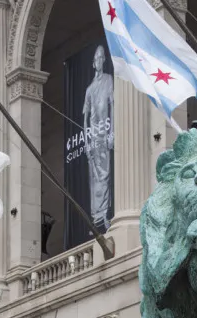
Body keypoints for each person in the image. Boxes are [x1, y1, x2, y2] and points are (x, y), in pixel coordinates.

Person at [81, 44, 114, 230]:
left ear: (104, 61)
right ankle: (96, 216)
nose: (99, 60)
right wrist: (86, 142)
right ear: (93, 63)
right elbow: (85, 118)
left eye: (101, 57)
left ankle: (105, 214)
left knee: (105, 175)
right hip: (93, 138)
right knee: (94, 178)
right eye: (97, 58)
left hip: (104, 134)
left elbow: (113, 106)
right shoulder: (89, 89)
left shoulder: (109, 80)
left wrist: (112, 132)